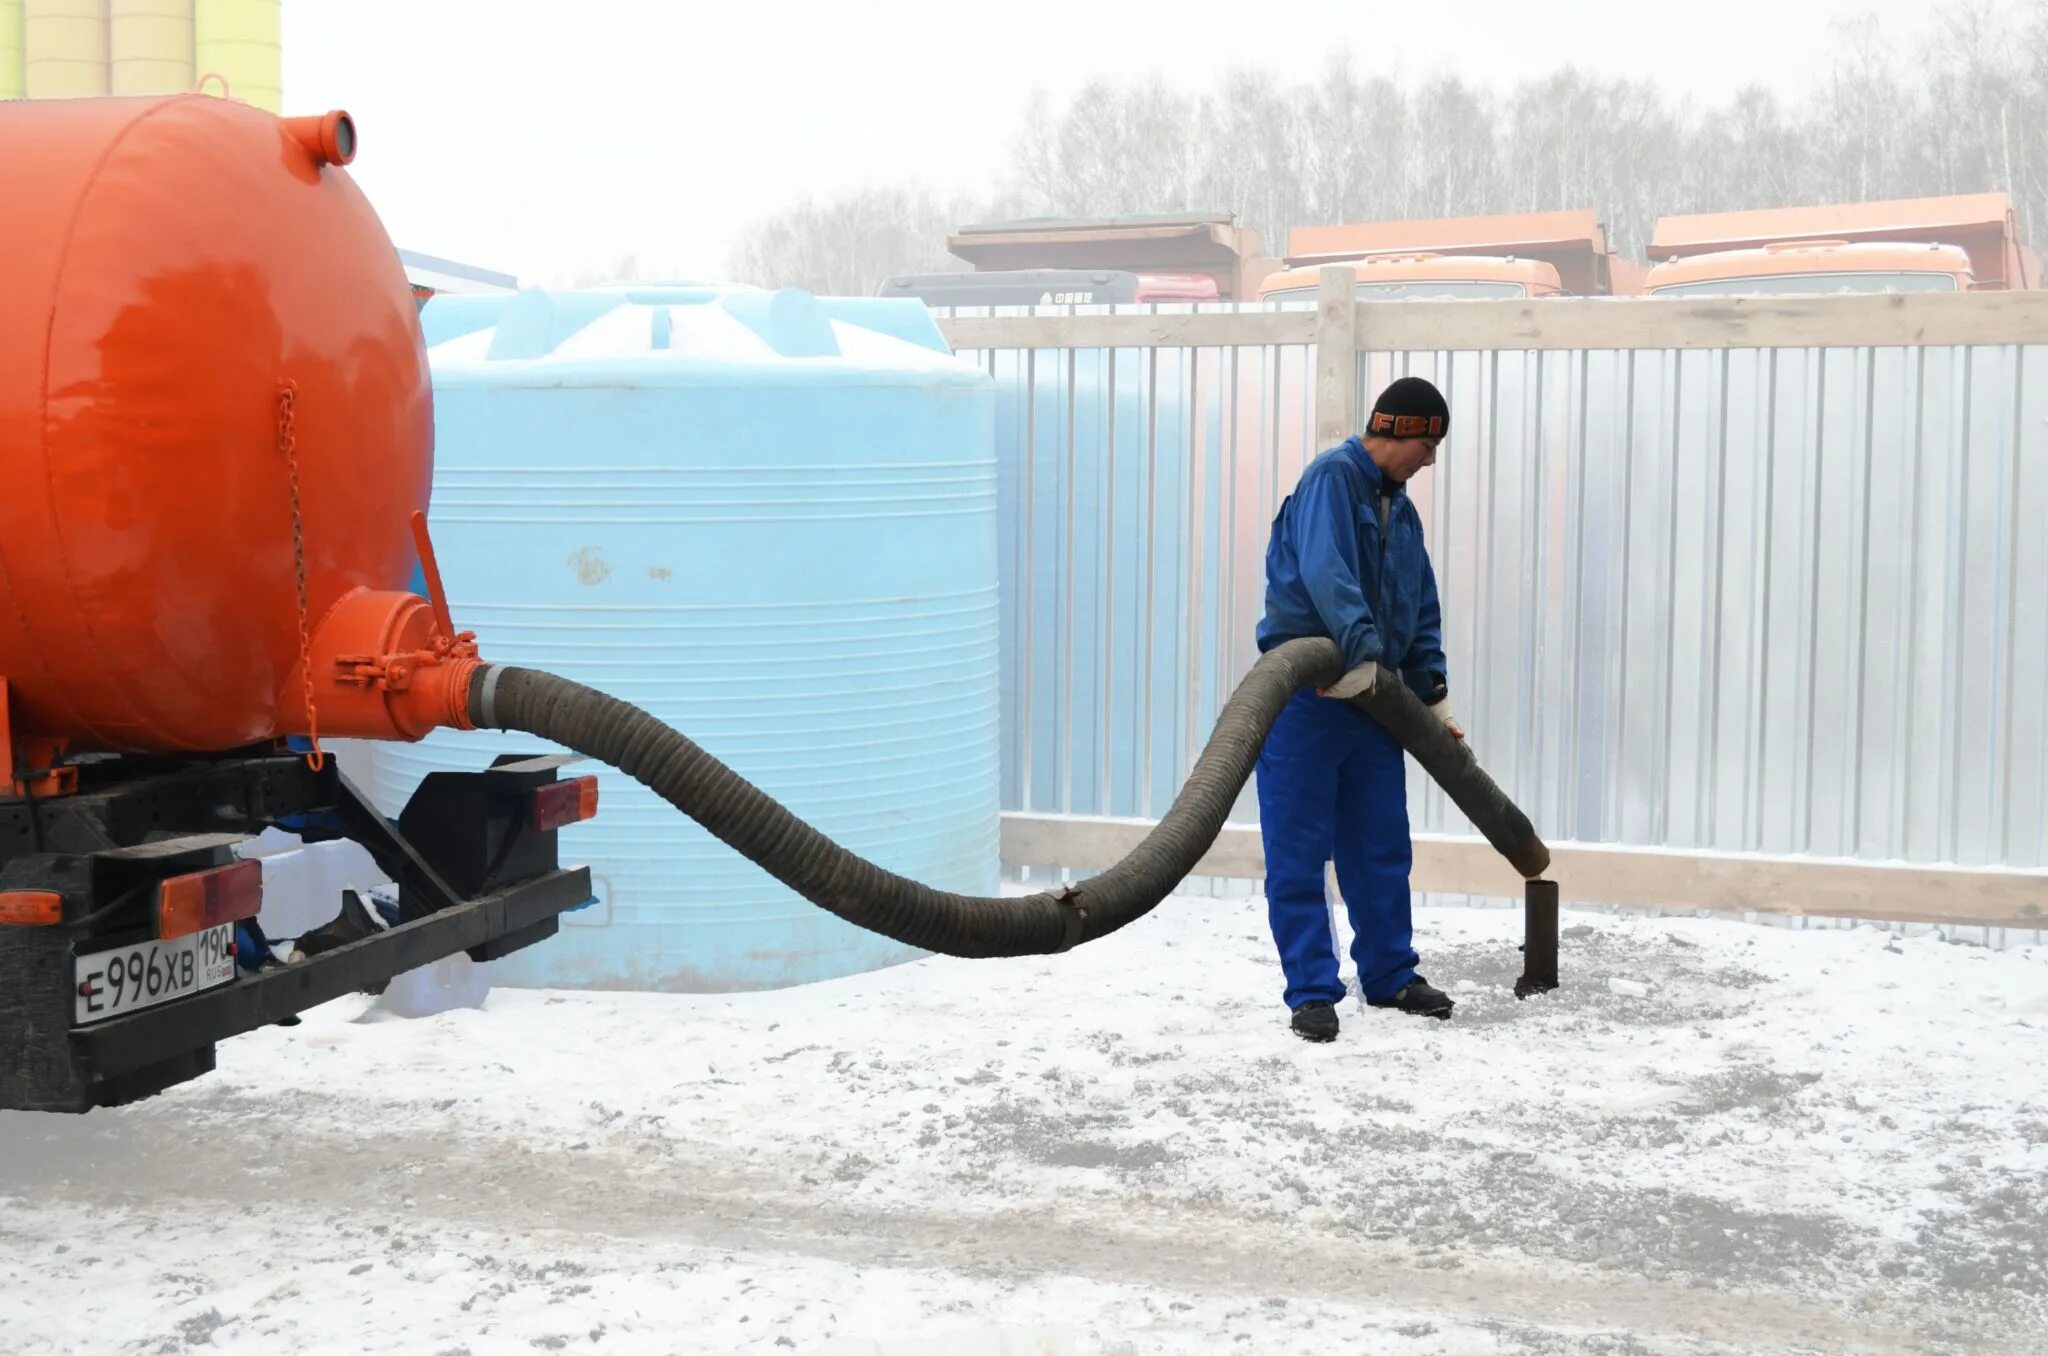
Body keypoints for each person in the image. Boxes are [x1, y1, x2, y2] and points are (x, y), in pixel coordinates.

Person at [1253, 376, 1464, 1042]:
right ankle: (1312, 991)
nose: (1430, 459)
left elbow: (1419, 605)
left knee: (1379, 845)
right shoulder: (1330, 483)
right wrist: (1362, 653)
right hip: (1308, 697)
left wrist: (1432, 697)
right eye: (1427, 444)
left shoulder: (1400, 511)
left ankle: (1391, 974)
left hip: (1373, 701)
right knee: (1300, 851)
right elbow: (1326, 572)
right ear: (1398, 430)